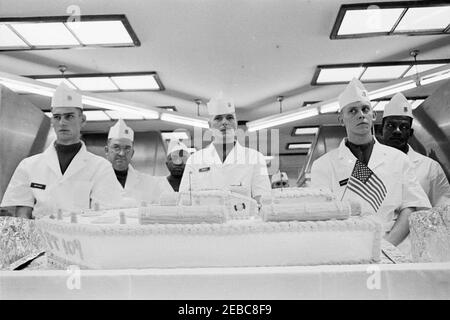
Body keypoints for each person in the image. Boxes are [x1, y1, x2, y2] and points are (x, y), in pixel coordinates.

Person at [311, 78, 431, 247]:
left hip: (393, 247)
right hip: (345, 248)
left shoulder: (398, 159)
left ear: (373, 115)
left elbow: (411, 207)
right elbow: (321, 215)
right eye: (352, 111)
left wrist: (386, 246)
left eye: (365, 109)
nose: (360, 114)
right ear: (341, 119)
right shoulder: (323, 165)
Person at [0, 83, 124, 218]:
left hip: (82, 237)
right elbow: (22, 212)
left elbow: (105, 215)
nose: (62, 122)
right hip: (40, 236)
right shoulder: (29, 165)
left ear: (82, 120)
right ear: (52, 121)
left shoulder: (100, 167)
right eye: (57, 117)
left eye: (69, 116)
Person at [179, 96, 271, 205]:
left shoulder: (255, 158)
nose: (224, 122)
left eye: (229, 117)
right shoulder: (194, 160)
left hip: (242, 220)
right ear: (209, 126)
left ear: (236, 124)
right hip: (206, 220)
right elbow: (184, 199)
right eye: (218, 118)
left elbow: (263, 199)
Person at [381, 93, 450, 207]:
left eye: (403, 127)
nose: (397, 131)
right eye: (391, 125)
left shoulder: (430, 168)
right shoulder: (369, 164)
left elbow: (445, 207)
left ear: (411, 133)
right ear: (380, 130)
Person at [105, 119, 173, 205]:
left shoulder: (150, 183)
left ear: (132, 153)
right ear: (107, 150)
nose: (122, 153)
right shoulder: (95, 179)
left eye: (127, 148)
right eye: (116, 147)